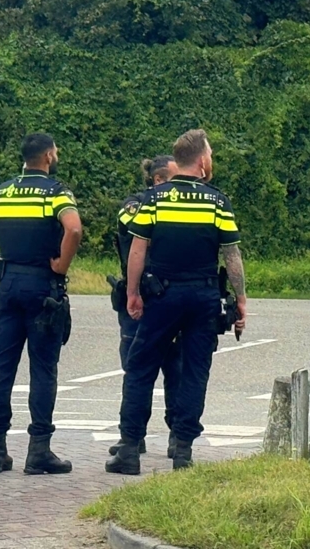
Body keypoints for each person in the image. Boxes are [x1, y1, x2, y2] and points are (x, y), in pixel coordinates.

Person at [106, 129, 247, 475]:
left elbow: (138, 250)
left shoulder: (154, 199)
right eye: (210, 154)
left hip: (162, 295)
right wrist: (241, 299)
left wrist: (133, 292)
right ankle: (182, 450)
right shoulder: (217, 202)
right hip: (203, 297)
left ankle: (129, 449)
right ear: (201, 160)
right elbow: (231, 256)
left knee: (140, 368)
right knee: (194, 371)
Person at [0, 133, 82, 475]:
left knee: (2, 368)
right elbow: (73, 230)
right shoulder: (56, 192)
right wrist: (62, 265)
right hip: (43, 285)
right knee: (43, 369)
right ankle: (38, 451)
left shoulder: (3, 192)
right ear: (49, 156)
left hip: (8, 283)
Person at [108, 155, 182, 459]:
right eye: (176, 179)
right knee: (136, 370)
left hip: (173, 298)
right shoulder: (134, 206)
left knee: (176, 369)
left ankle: (177, 435)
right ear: (158, 180)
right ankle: (133, 436)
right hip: (139, 299)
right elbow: (143, 234)